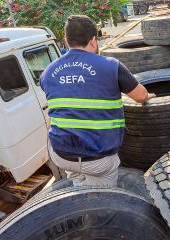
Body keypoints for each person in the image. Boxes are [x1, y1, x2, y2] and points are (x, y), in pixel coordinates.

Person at [40, 15, 155, 187]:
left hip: (61, 153)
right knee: (100, 203)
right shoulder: (110, 65)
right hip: (97, 158)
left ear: (67, 40)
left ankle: (81, 192)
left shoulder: (48, 72)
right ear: (93, 40)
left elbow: (71, 94)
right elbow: (140, 96)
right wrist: (148, 96)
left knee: (80, 187)